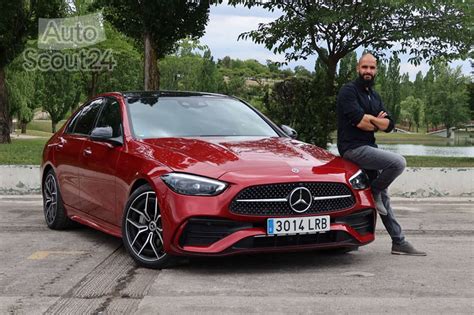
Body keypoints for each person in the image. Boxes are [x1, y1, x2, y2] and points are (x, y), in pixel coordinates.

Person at [337, 53, 426, 256]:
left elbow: (390, 125)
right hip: (352, 149)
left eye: (372, 68)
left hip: (369, 148)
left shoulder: (374, 96)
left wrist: (373, 121)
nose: (368, 71)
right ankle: (373, 192)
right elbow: (360, 122)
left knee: (384, 199)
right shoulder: (348, 91)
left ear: (376, 70)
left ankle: (398, 242)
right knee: (398, 162)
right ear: (358, 68)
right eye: (364, 67)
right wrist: (375, 121)